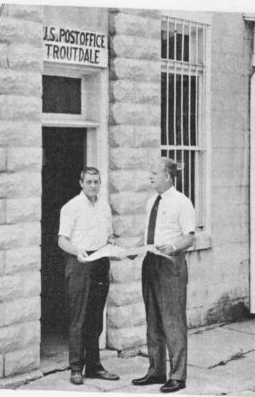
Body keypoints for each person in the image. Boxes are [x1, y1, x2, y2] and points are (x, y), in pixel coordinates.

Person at [132, 157, 195, 393]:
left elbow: (189, 237)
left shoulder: (182, 202)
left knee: (173, 320)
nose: (150, 176)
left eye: (154, 173)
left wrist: (173, 247)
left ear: (168, 176)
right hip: (150, 261)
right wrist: (131, 250)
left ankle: (178, 376)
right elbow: (150, 235)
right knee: (153, 320)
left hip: (170, 264)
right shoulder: (151, 202)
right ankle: (156, 371)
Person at [58, 167, 120, 385]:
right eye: (89, 182)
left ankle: (94, 366)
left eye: (96, 182)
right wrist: (77, 251)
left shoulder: (104, 206)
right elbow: (62, 240)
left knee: (95, 317)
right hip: (80, 262)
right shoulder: (71, 207)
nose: (93, 186)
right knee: (79, 318)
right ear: (81, 183)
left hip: (100, 261)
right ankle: (76, 368)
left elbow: (108, 234)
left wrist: (111, 243)